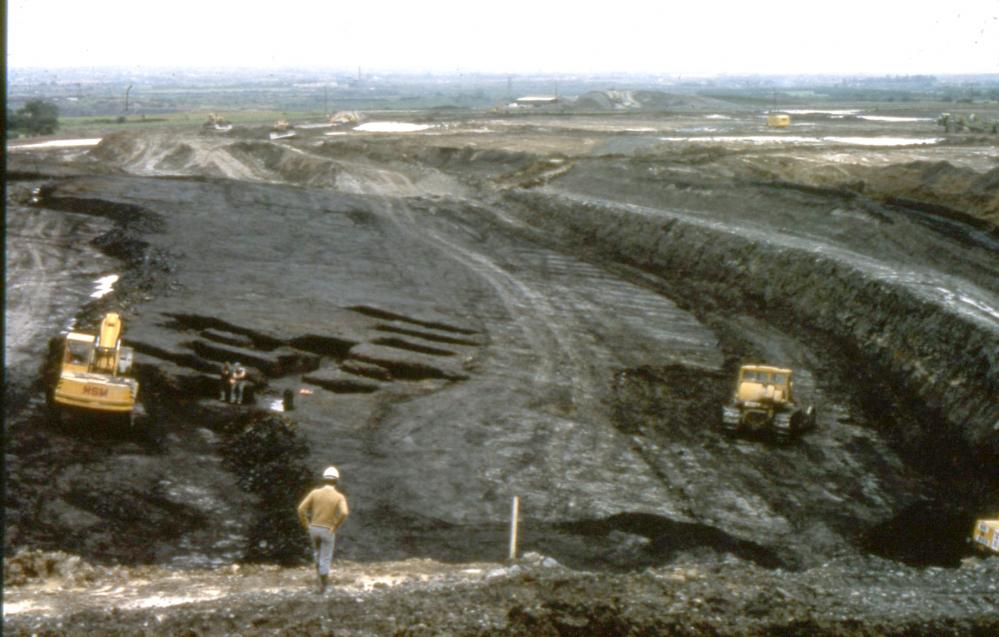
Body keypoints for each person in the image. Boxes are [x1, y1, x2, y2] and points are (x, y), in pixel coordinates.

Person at [297, 466, 349, 593]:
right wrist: (335, 526)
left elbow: (301, 509)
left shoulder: (315, 493)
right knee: (325, 557)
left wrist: (307, 525)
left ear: (324, 479)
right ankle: (324, 586)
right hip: (327, 530)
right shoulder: (339, 496)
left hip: (313, 528)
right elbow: (344, 512)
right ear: (336, 481)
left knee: (317, 553)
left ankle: (318, 582)